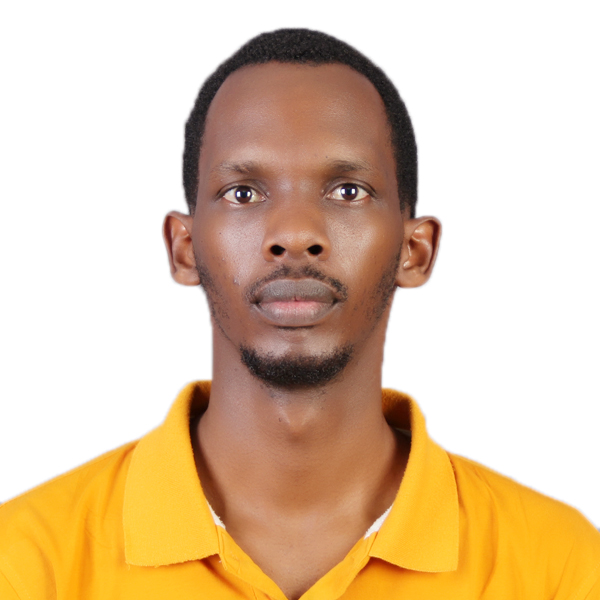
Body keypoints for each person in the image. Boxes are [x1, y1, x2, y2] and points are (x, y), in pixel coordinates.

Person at [1, 28, 599, 600]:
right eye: (243, 193)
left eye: (347, 191)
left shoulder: (557, 567)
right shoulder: (27, 563)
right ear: (184, 249)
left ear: (414, 251)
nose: (294, 234)